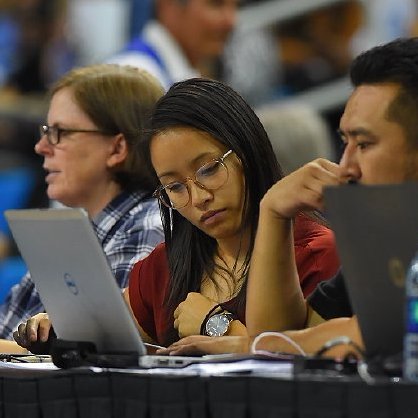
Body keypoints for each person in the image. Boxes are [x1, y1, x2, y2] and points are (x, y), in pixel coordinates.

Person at [14, 77, 340, 351]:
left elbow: (297, 360)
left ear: (247, 148)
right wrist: (60, 323)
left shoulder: (316, 253)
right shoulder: (163, 266)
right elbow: (104, 323)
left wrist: (217, 325)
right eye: (174, 187)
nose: (198, 198)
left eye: (209, 170)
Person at [152, 37, 418, 358]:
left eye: (364, 144)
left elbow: (363, 337)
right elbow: (285, 348)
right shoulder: (389, 238)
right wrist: (274, 211)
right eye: (344, 143)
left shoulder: (323, 247)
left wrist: (235, 336)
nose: (346, 166)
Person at [0, 63, 165, 352]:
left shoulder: (149, 225)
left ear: (116, 149)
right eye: (46, 131)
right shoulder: (69, 234)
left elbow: (97, 351)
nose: (42, 147)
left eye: (60, 132)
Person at [108, 0, 238, 89]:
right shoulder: (135, 78)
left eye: (236, 6)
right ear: (168, 4)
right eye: (216, 4)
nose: (230, 21)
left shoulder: (176, 74)